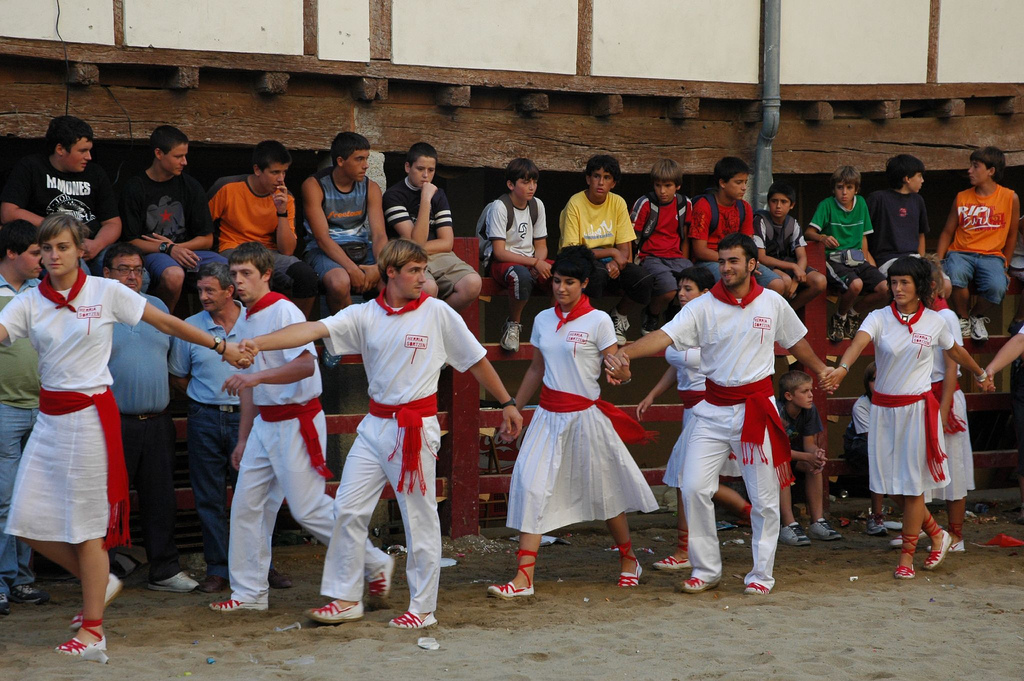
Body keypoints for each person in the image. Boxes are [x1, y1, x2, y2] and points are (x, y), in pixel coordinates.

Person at [238, 239, 523, 628]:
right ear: (391, 272)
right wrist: (258, 343)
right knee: (347, 509)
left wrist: (507, 402)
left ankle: (423, 608)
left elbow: (475, 360)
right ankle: (346, 599)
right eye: (414, 271)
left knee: (419, 519)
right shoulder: (364, 314)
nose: (423, 278)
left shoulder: (438, 312)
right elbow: (312, 329)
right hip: (374, 426)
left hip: (414, 428)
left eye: (423, 270)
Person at [0, 214, 247, 661]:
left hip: (90, 420)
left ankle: (93, 631)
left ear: (81, 251)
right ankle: (102, 581)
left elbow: (166, 323)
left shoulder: (105, 291)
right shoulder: (30, 300)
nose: (53, 256)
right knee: (23, 521)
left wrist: (221, 346)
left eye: (62, 247)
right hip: (49, 420)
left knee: (86, 530)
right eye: (46, 248)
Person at [609, 233, 832, 595]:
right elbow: (664, 336)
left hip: (755, 409)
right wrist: (625, 353)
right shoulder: (702, 306)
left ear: (752, 265)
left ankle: (761, 575)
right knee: (694, 486)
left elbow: (796, 341)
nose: (725, 268)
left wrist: (821, 369)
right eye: (722, 261)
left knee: (764, 498)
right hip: (710, 410)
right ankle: (706, 569)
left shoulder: (772, 302)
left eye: (733, 261)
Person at [487, 246, 658, 598]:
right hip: (547, 418)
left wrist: (623, 374)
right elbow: (536, 368)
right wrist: (514, 408)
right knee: (532, 486)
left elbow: (619, 367)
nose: (561, 288)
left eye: (569, 282)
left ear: (584, 284)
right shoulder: (542, 320)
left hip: (585, 419)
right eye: (557, 281)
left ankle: (629, 559)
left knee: (606, 491)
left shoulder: (599, 321)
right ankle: (524, 578)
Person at [205, 242, 363, 612]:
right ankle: (249, 593)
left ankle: (370, 560)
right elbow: (248, 384)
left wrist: (256, 379)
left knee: (309, 510)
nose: (238, 280)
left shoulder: (284, 310)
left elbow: (306, 365)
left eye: (246, 273)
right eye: (234, 273)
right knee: (247, 506)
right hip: (266, 422)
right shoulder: (245, 318)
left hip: (296, 419)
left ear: (266, 275)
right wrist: (243, 438)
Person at [822, 256, 993, 579]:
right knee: (891, 486)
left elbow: (955, 351)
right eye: (894, 282)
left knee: (913, 488)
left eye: (905, 282)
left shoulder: (935, 321)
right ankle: (937, 533)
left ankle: (907, 557)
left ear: (920, 286)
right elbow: (858, 343)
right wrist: (842, 368)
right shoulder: (878, 317)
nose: (898, 288)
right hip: (883, 413)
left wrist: (980, 373)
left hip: (917, 411)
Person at [169, 262, 290, 593]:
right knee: (208, 496)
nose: (203, 296)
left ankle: (260, 566)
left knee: (255, 495)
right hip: (204, 417)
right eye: (200, 290)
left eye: (210, 290)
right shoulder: (190, 327)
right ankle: (218, 569)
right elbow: (178, 375)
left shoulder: (254, 321)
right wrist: (205, 396)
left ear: (229, 291)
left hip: (247, 417)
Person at [636, 266, 750, 571]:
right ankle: (752, 515)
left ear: (705, 293)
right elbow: (678, 365)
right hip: (690, 411)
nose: (681, 295)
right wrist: (653, 394)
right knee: (690, 480)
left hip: (708, 408)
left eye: (688, 289)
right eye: (680, 289)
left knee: (685, 479)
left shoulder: (717, 324)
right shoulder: (681, 322)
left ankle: (686, 549)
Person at [103, 243, 199, 593]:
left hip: (158, 420)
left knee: (161, 498)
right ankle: (102, 574)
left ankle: (164, 570)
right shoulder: (95, 311)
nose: (133, 276)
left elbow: (174, 365)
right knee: (109, 502)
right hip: (112, 422)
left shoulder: (157, 306)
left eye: (138, 269)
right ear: (106, 274)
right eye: (124, 269)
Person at [119, 125, 225, 312]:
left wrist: (177, 248)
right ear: (159, 154)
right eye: (178, 156)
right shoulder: (135, 187)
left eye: (185, 156)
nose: (184, 162)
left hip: (187, 252)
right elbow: (130, 241)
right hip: (152, 254)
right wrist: (167, 249)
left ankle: (211, 323)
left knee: (226, 269)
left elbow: (207, 239)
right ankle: (163, 323)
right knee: (173, 275)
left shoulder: (190, 186)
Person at [208, 140, 318, 318]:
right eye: (275, 172)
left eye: (284, 172)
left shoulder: (286, 198)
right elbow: (203, 226)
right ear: (257, 170)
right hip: (233, 249)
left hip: (268, 253)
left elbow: (287, 250)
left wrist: (282, 212)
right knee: (248, 272)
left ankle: (295, 327)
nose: (281, 178)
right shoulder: (227, 187)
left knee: (306, 276)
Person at [0, 220, 49, 615]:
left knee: (30, 500)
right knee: (4, 501)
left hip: (43, 407)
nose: (43, 260)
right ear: (11, 253)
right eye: (36, 253)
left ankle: (19, 579)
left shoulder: (42, 292)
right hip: (4, 406)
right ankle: (4, 581)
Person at [0, 116, 120, 274]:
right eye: (82, 151)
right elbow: (8, 212)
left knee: (128, 270)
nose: (89, 157)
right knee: (77, 271)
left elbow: (113, 223)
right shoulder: (31, 167)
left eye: (89, 150)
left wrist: (96, 244)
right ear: (60, 149)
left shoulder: (96, 173)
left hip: (92, 246)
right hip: (52, 245)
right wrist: (58, 229)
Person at [559, 154, 653, 345]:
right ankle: (586, 323)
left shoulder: (617, 202)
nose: (601, 182)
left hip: (610, 261)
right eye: (596, 176)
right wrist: (612, 253)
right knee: (597, 275)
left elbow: (625, 249)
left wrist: (617, 261)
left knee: (644, 279)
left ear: (613, 183)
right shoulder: (575, 203)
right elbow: (573, 251)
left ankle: (618, 315)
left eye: (607, 177)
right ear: (588, 179)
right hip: (580, 259)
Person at [382, 142, 482, 312]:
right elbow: (416, 244)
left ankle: (438, 320)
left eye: (431, 170)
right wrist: (426, 199)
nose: (426, 175)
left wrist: (420, 245)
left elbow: (446, 243)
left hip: (437, 255)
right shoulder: (394, 196)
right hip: (406, 257)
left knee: (472, 283)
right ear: (407, 167)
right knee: (427, 287)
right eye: (420, 169)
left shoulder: (439, 194)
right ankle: (425, 324)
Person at [936, 146, 1020, 341]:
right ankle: (963, 318)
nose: (969, 171)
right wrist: (937, 262)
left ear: (991, 171)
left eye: (975, 166)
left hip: (992, 255)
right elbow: (947, 231)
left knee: (997, 285)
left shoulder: (1010, 197)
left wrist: (1005, 265)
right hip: (960, 252)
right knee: (956, 274)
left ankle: (976, 316)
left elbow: (1011, 235)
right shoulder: (962, 197)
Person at [302, 131, 387, 314]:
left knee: (393, 280)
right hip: (324, 251)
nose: (366, 165)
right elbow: (322, 238)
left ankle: (383, 328)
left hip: (360, 247)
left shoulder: (371, 187)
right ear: (340, 161)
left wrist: (379, 266)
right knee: (340, 283)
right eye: (359, 159)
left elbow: (379, 235)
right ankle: (350, 329)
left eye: (366, 158)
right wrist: (352, 269)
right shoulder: (315, 185)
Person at [806, 165, 889, 342]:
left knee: (886, 288)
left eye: (849, 187)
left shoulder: (861, 204)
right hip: (833, 259)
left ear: (856, 189)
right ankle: (839, 316)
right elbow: (809, 233)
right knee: (856, 285)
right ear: (833, 189)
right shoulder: (827, 205)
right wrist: (822, 238)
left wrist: (868, 263)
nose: (844, 192)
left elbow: (864, 237)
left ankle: (853, 313)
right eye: (840, 187)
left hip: (857, 259)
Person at [477, 157, 551, 352]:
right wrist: (534, 263)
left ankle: (557, 325)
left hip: (531, 260)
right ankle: (513, 325)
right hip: (503, 262)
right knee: (521, 276)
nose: (531, 187)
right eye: (525, 182)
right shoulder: (500, 207)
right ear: (511, 184)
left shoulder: (537, 205)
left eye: (534, 182)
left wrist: (538, 263)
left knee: (560, 273)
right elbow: (500, 252)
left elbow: (541, 245)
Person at [688, 157, 785, 297]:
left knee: (777, 284)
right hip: (709, 261)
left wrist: (746, 263)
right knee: (734, 282)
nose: (744, 187)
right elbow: (700, 251)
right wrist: (734, 261)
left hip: (739, 261)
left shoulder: (744, 207)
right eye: (739, 182)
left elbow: (747, 244)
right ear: (722, 183)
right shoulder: (704, 206)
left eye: (745, 182)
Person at [928, 259, 973, 554]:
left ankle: (956, 534)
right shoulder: (916, 316)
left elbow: (950, 368)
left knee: (953, 465)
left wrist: (943, 412)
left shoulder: (946, 317)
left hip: (944, 396)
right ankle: (929, 530)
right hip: (921, 399)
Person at [776, 370, 841, 546]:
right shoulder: (777, 411)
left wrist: (816, 454)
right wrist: (807, 456)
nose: (811, 395)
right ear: (788, 396)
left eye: (811, 390)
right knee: (783, 466)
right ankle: (788, 524)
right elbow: (777, 451)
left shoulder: (809, 410)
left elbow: (809, 444)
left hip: (793, 456)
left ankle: (817, 521)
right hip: (773, 461)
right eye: (805, 391)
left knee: (814, 466)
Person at [630, 159, 693, 334]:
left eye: (668, 185)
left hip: (676, 257)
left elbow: (685, 236)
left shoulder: (684, 204)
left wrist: (685, 261)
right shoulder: (645, 203)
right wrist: (631, 262)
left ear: (678, 186)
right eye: (658, 185)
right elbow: (630, 236)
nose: (662, 191)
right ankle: (652, 314)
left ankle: (677, 315)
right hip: (650, 257)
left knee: (695, 282)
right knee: (669, 288)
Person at [752, 181, 827, 311]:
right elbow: (761, 257)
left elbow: (802, 256)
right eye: (774, 201)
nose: (778, 206)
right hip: (767, 265)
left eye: (784, 202)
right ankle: (774, 315)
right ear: (768, 202)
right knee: (785, 280)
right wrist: (793, 267)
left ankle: (788, 312)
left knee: (820, 281)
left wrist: (797, 280)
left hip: (786, 264)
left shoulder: (793, 224)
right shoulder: (760, 220)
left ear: (792, 205)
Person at [841, 362, 891, 537]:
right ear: (867, 382)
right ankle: (876, 517)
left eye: (883, 378)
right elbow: (872, 439)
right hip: (860, 445)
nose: (878, 383)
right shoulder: (862, 405)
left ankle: (916, 515)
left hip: (888, 444)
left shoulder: (898, 401)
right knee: (878, 457)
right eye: (874, 379)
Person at [866, 155, 930, 276]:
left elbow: (921, 234)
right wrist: (871, 265)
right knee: (911, 276)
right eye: (919, 176)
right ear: (907, 179)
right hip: (887, 260)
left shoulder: (918, 200)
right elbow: (862, 234)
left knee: (945, 282)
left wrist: (922, 259)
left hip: (914, 259)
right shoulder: (878, 199)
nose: (922, 180)